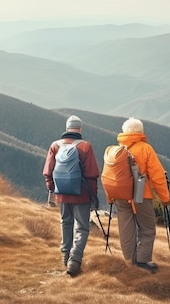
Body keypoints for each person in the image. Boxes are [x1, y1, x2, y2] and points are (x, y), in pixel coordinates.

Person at [43, 115, 99, 277]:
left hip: (61, 193)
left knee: (65, 222)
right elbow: (92, 174)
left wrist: (52, 189)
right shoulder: (86, 147)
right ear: (79, 129)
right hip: (81, 194)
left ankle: (65, 255)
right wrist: (93, 197)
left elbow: (48, 171)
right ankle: (75, 260)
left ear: (67, 128)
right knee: (82, 227)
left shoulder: (55, 146)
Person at [114, 117, 170, 272]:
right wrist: (165, 198)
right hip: (141, 196)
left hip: (120, 196)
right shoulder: (145, 148)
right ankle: (142, 262)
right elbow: (158, 176)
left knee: (126, 228)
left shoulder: (117, 150)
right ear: (140, 131)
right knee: (147, 228)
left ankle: (129, 261)